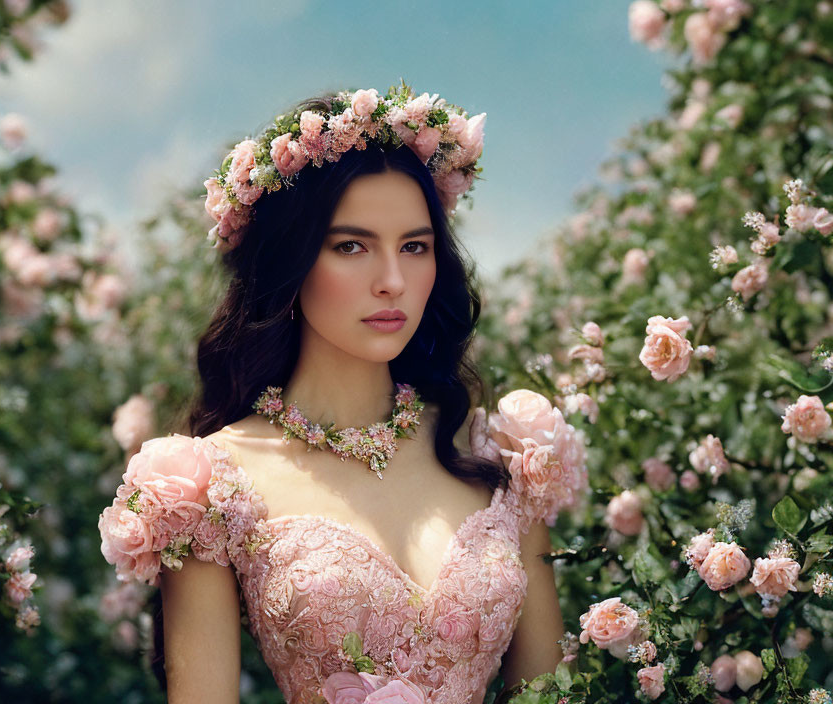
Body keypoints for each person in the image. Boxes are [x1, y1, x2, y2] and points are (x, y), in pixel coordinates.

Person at [98, 81, 586, 704]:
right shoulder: (208, 484)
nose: (391, 281)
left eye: (415, 247)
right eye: (351, 246)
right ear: (290, 260)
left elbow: (545, 693)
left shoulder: (505, 457)